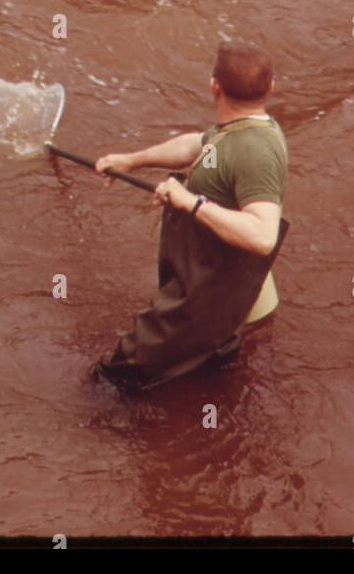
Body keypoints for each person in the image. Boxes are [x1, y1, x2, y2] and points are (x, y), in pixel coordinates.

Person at [91, 41, 288, 390]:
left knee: (114, 379)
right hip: (235, 297)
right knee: (216, 384)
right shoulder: (247, 128)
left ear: (214, 86)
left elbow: (262, 236)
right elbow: (197, 146)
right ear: (270, 88)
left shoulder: (254, 151)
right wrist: (129, 160)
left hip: (210, 299)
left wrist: (189, 202)